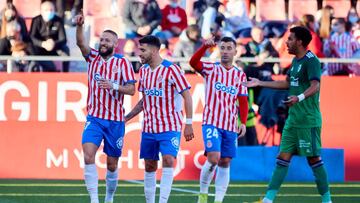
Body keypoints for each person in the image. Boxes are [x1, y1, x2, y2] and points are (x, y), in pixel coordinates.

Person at [243, 26, 332, 203]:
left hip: (308, 120)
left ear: (299, 41)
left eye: (290, 39)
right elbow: (286, 84)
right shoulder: (296, 62)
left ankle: (327, 200)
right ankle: (268, 200)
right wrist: (260, 82)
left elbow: (316, 86)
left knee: (313, 159)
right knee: (282, 157)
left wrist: (298, 98)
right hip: (293, 119)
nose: (286, 42)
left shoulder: (310, 60)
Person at [74, 10, 137, 203]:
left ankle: (109, 198)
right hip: (94, 118)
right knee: (88, 154)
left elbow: (132, 90)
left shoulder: (122, 63)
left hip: (115, 121)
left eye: (107, 41)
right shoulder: (92, 57)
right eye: (102, 39)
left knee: (112, 164)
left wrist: (114, 86)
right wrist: (79, 27)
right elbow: (80, 43)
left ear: (114, 44)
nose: (103, 43)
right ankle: (94, 199)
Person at [125, 35, 194, 203]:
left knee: (169, 160)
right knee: (150, 165)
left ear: (155, 50)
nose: (139, 53)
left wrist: (189, 124)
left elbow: (187, 96)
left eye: (143, 50)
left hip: (170, 126)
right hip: (149, 127)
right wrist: (126, 117)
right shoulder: (144, 71)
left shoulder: (172, 70)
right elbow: (144, 99)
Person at [189, 36, 249, 203]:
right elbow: (193, 63)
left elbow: (243, 101)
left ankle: (218, 200)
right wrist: (203, 47)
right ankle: (202, 195)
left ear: (235, 52)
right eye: (222, 48)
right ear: (218, 50)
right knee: (213, 157)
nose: (225, 51)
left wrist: (242, 122)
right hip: (212, 122)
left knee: (225, 161)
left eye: (229, 48)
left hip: (230, 125)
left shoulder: (239, 75)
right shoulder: (210, 68)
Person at [29, 1, 70, 72]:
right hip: (40, 48)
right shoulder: (36, 20)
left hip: (54, 47)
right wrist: (42, 44)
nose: (49, 12)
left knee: (65, 50)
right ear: (41, 11)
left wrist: (53, 43)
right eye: (46, 10)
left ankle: (65, 73)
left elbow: (63, 39)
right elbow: (32, 37)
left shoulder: (58, 20)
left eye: (51, 10)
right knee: (30, 48)